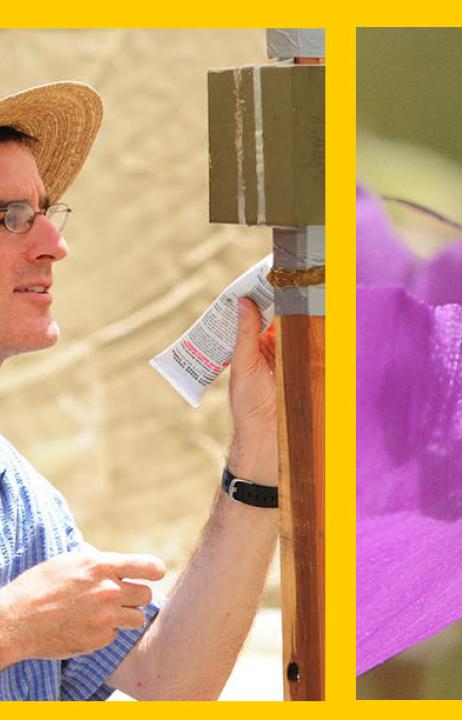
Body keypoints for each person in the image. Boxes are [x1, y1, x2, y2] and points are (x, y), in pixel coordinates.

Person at [0, 82, 279, 700]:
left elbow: (168, 680)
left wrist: (259, 446)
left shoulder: (22, 499)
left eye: (47, 210)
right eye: (12, 217)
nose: (54, 244)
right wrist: (14, 626)